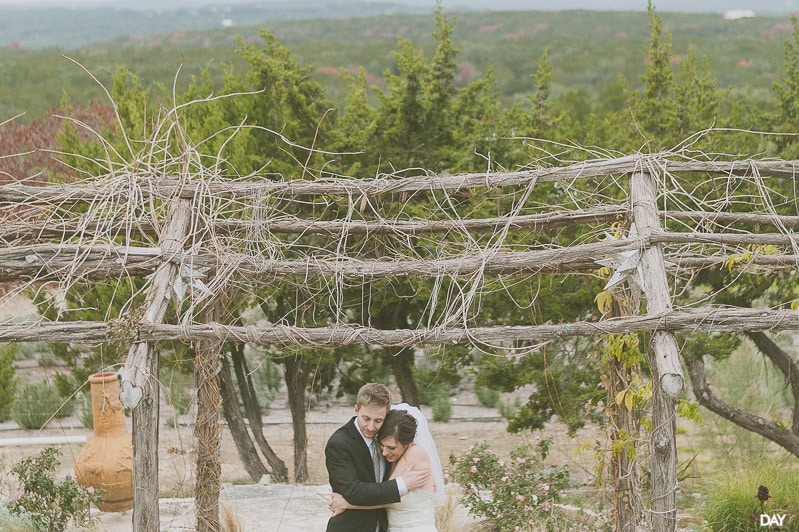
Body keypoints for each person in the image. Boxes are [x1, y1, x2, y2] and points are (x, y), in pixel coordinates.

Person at [325, 383, 432, 532]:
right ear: (356, 410)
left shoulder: (387, 440)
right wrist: (401, 484)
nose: (370, 427)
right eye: (366, 418)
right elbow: (353, 492)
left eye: (378, 421)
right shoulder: (339, 443)